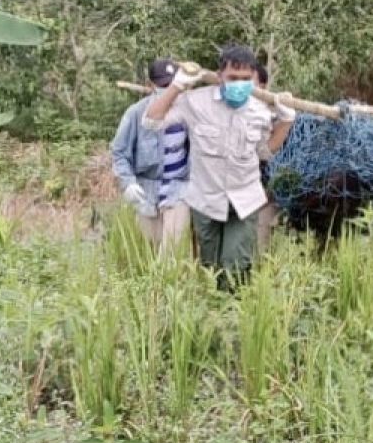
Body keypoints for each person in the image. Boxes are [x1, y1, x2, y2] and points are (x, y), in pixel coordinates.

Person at [144, 45, 296, 289]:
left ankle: (236, 318)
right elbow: (152, 122)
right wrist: (177, 86)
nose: (239, 84)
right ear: (219, 76)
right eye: (232, 78)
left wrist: (286, 121)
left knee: (236, 267)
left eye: (246, 79)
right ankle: (213, 317)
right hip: (206, 200)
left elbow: (265, 151)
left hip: (245, 201)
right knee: (209, 270)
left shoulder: (259, 111)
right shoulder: (195, 103)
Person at [111, 59, 191, 253]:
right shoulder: (136, 113)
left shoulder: (189, 111)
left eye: (172, 84)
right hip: (147, 192)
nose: (168, 89)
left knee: (170, 253)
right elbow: (119, 152)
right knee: (149, 250)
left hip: (179, 189)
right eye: (163, 85)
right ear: (151, 85)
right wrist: (128, 182)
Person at [254, 61, 281, 253]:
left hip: (263, 193)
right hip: (229, 194)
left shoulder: (275, 117)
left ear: (263, 87)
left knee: (259, 246)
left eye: (249, 80)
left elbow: (270, 152)